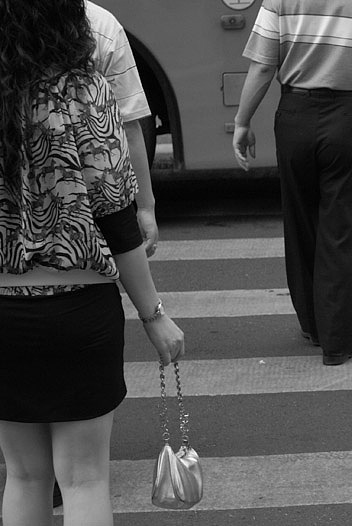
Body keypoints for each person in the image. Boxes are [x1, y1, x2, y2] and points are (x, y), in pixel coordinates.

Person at [0, 2, 185, 525]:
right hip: (79, 310)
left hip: (3, 311)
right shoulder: (86, 91)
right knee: (83, 478)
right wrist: (154, 315)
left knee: (23, 476)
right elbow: (116, 215)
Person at [232, 0, 352, 366]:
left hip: (295, 117)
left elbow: (264, 65)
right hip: (350, 118)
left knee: (301, 224)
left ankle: (314, 326)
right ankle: (338, 340)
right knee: (343, 231)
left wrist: (242, 122)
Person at [87, 1, 159, 256]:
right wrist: (145, 208)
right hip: (97, 190)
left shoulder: (12, 23)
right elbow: (129, 125)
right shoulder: (100, 24)